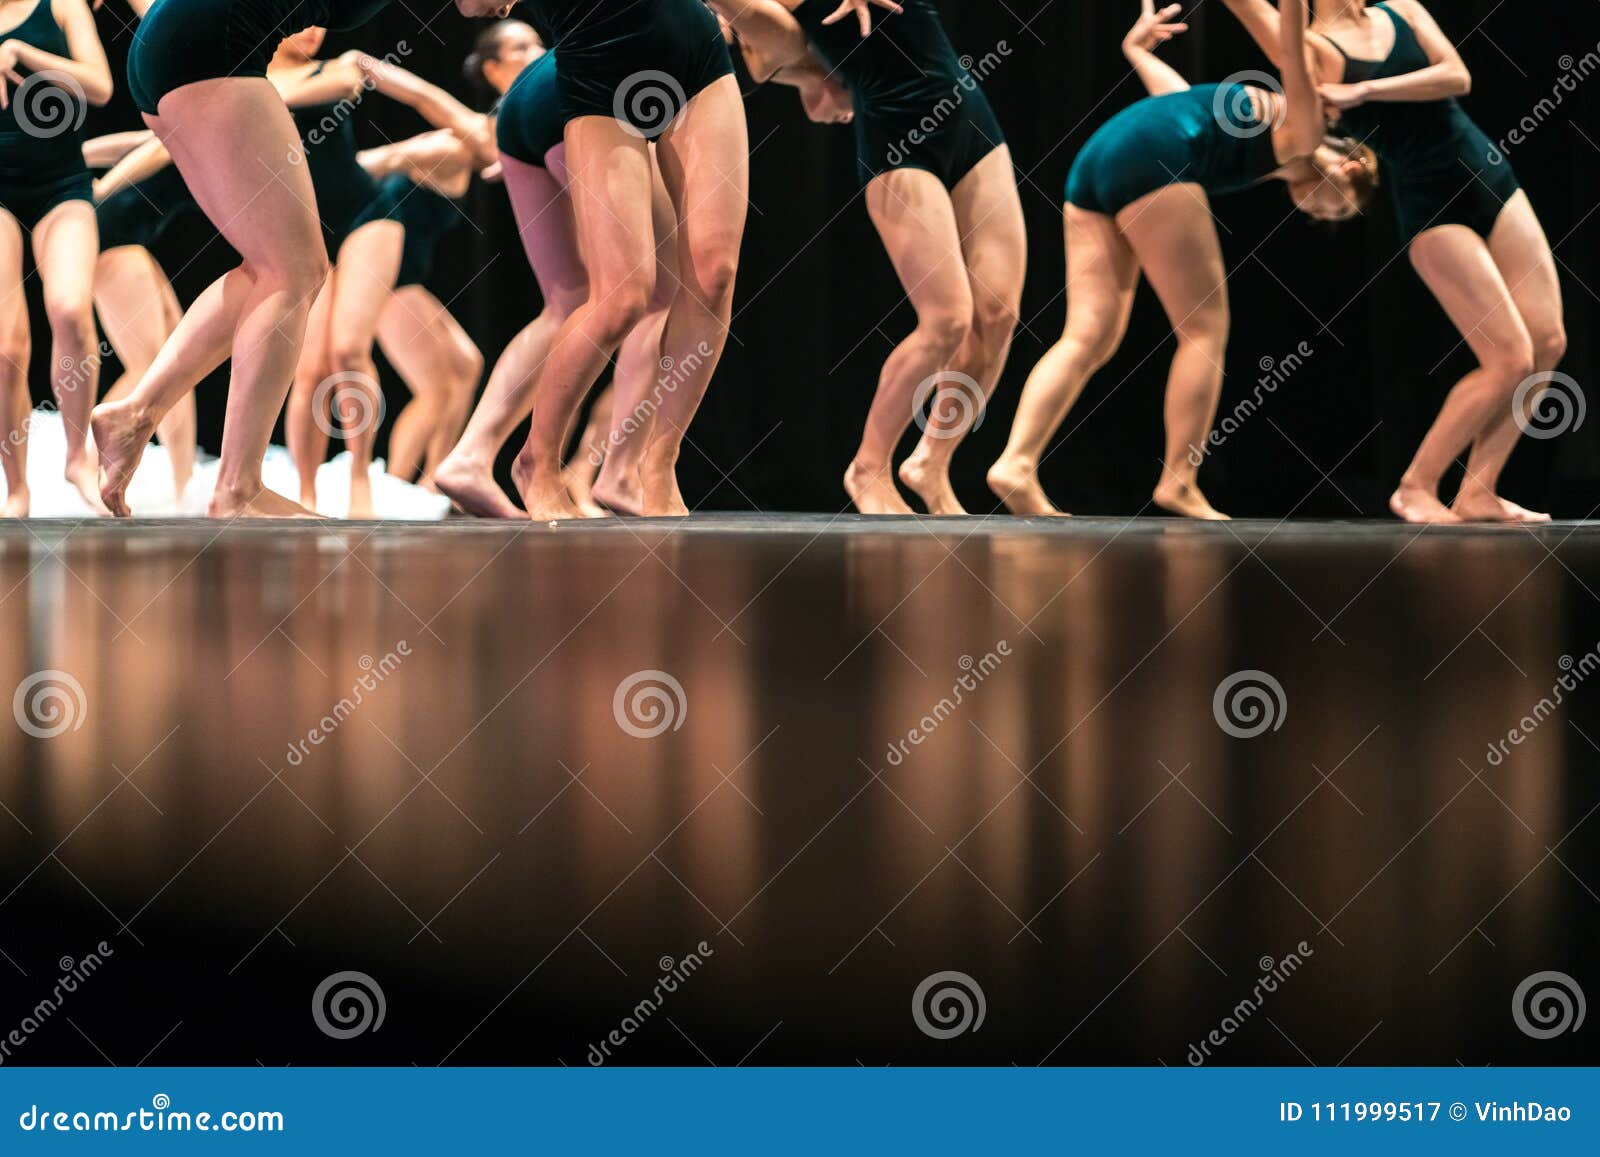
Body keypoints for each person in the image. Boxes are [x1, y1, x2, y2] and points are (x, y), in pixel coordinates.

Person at [89, 0, 512, 518]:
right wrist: (102, 185)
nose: (509, 6)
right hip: (204, 48)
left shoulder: (332, 66)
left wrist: (484, 132)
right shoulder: (288, 65)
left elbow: (420, 95)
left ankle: (138, 415)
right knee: (294, 272)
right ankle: (236, 484)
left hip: (169, 53)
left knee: (271, 270)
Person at [987, 0, 1377, 519]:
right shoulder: (1302, 132)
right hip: (1151, 157)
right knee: (1205, 329)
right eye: (1341, 208)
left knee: (1089, 335)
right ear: (1350, 167)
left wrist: (1135, 52)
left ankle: (1015, 462)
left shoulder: (1257, 136)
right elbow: (1293, 58)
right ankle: (1180, 479)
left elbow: (1176, 102)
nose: (1325, 215)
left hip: (1101, 157)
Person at [1221, 0, 1565, 524]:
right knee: (1510, 360)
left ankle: (1479, 490)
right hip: (1431, 206)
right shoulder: (1313, 50)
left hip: (1487, 173)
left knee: (1549, 342)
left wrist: (1364, 91)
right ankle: (1415, 485)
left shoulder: (1402, 9)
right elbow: (1260, 22)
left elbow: (1458, 77)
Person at [715, 0, 1025, 516]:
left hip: (967, 115)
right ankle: (868, 467)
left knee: (997, 316)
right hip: (898, 135)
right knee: (947, 320)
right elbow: (773, 64)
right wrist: (818, 74)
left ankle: (930, 463)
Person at [494, 0, 754, 520]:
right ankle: (537, 461)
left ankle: (657, 465)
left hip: (692, 50)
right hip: (599, 70)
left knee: (715, 275)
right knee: (622, 298)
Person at [0, 0, 112, 515]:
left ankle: (76, 456)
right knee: (7, 346)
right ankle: (15, 486)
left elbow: (100, 86)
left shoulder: (62, 5)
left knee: (69, 307)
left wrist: (23, 51)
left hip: (61, 185)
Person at [86, 130, 203, 498]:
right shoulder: (206, 132)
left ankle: (183, 485)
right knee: (150, 367)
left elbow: (141, 140)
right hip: (112, 241)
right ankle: (88, 469)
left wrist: (79, 156)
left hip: (128, 239)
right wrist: (103, 187)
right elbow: (161, 146)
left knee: (178, 362)